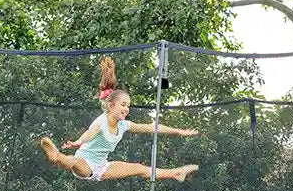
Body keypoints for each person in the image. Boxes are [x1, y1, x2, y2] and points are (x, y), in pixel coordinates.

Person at [39, 57, 199, 182]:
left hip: (103, 166)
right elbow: (90, 133)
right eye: (123, 104)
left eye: (128, 106)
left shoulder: (124, 125)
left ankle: (176, 173)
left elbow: (153, 127)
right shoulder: (101, 122)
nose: (126, 109)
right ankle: (57, 157)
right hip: (85, 162)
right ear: (111, 106)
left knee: (139, 169)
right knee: (73, 162)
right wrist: (78, 142)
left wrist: (179, 131)